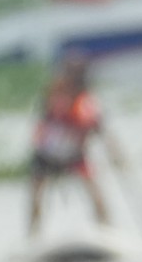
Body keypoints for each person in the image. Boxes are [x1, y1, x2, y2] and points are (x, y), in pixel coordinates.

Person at [27, 51, 117, 234]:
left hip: (74, 153)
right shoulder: (54, 93)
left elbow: (99, 129)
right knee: (37, 194)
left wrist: (115, 152)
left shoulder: (86, 101)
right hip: (47, 153)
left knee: (94, 191)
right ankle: (33, 234)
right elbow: (44, 120)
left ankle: (106, 230)